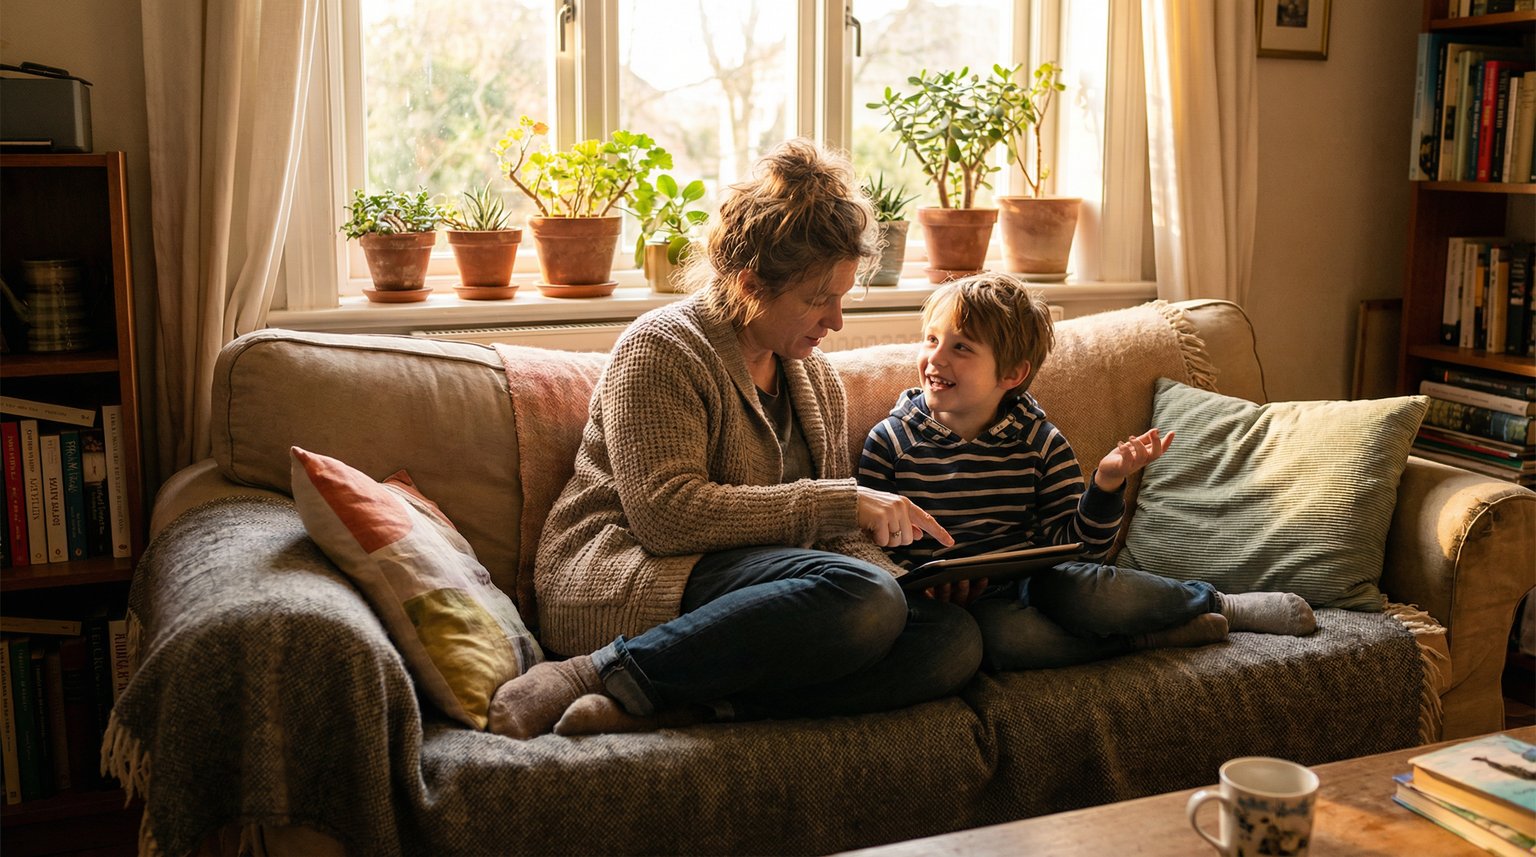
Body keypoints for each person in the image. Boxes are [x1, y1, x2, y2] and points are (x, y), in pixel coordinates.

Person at [487, 139, 983, 739]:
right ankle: (600, 671)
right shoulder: (662, 348)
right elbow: (666, 517)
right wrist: (846, 505)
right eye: (817, 299)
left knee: (950, 641)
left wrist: (910, 584)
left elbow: (834, 546)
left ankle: (700, 706)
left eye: (843, 296)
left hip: (752, 585)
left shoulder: (816, 377)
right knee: (863, 597)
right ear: (750, 283)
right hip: (633, 572)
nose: (836, 320)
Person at [857, 274, 1317, 670]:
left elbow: (1083, 551)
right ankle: (1142, 640)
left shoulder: (1039, 441)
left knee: (1087, 592)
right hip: (963, 608)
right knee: (994, 642)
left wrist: (1107, 483)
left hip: (1041, 584)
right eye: (932, 340)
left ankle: (1219, 604)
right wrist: (920, 585)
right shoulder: (890, 441)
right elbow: (864, 544)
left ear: (1012, 375)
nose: (936, 359)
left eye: (961, 348)